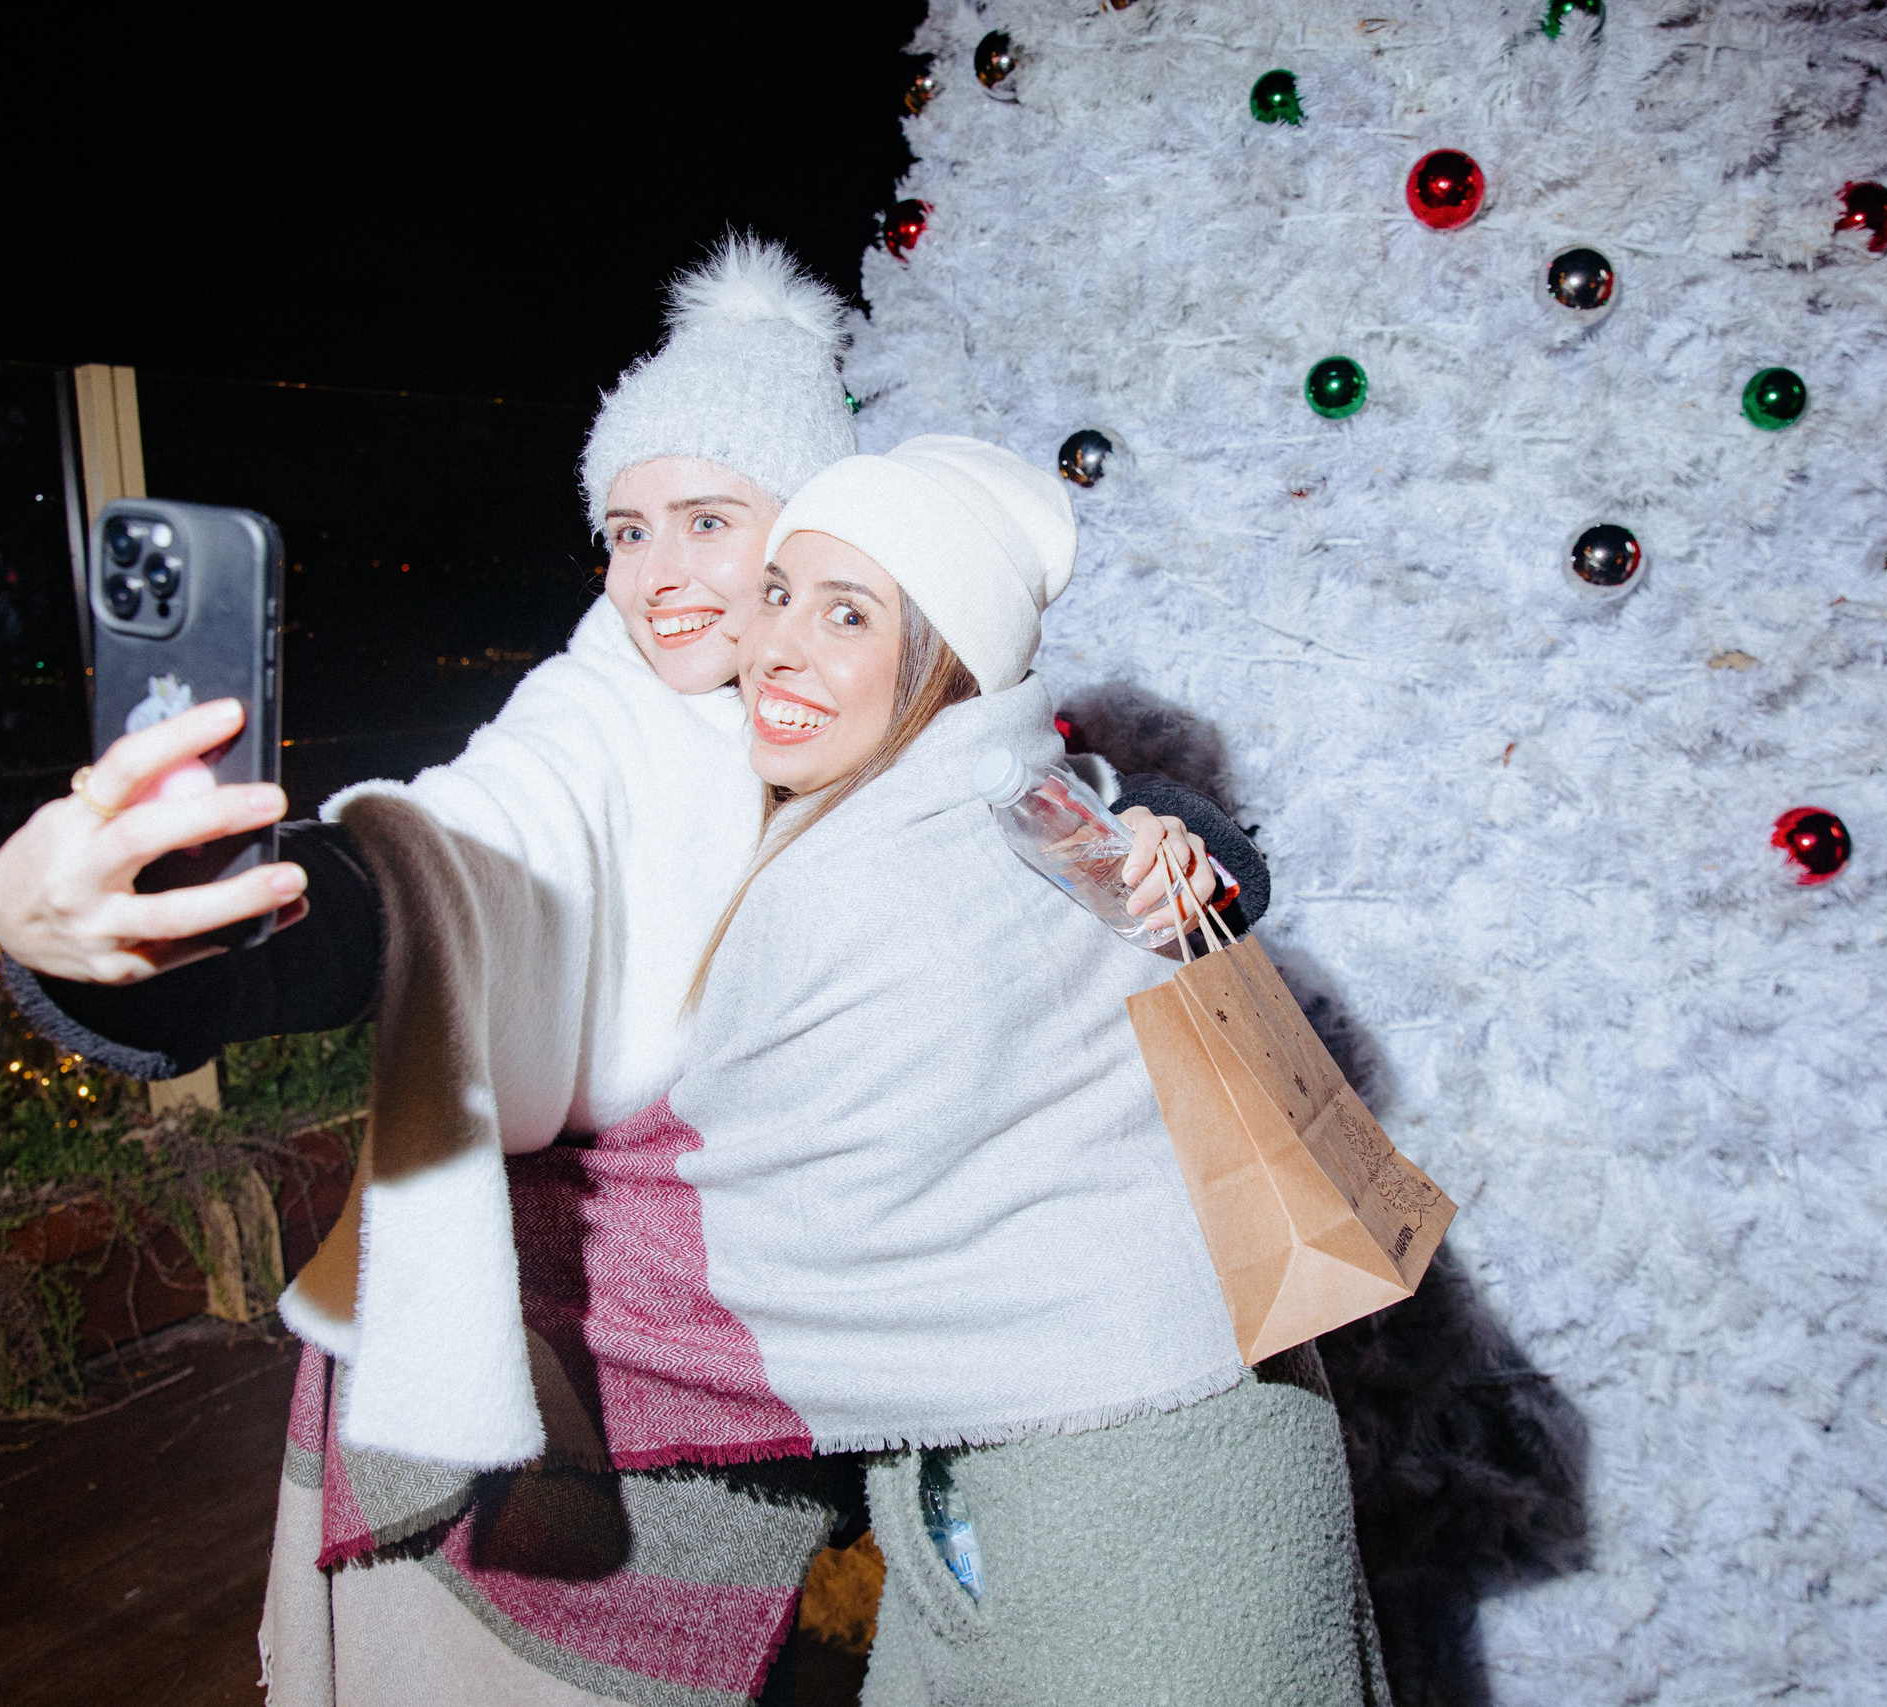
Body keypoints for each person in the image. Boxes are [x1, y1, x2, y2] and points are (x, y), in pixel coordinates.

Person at [0, 240, 1273, 1705]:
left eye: (709, 522)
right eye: (625, 530)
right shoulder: (597, 727)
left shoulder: (884, 709)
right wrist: (154, 944)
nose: (656, 579)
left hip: (889, 1391)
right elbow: (452, 854)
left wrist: (1183, 846)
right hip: (605, 1414)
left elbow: (1054, 799)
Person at [525, 433, 1387, 1704]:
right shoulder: (1032, 797)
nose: (774, 648)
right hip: (1108, 1458)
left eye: (847, 614)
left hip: (1136, 1506)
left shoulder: (877, 877)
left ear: (945, 661)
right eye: (778, 594)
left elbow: (737, 1217)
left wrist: (487, 1250)